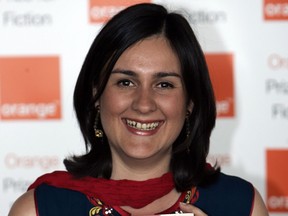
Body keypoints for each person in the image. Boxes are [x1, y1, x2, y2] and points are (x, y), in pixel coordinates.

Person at [9, 3, 268, 216]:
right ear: (96, 95)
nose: (143, 104)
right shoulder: (39, 209)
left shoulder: (242, 205)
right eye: (125, 82)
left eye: (164, 84)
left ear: (190, 102)